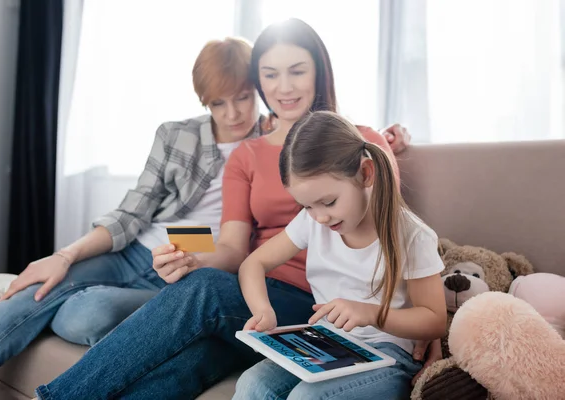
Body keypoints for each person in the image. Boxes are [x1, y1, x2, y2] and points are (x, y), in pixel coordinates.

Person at [31, 19, 420, 400]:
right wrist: (192, 263)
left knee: (203, 291)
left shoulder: (363, 142)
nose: (283, 87)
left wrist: (425, 324)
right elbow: (234, 249)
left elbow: (395, 231)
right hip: (256, 299)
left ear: (320, 72)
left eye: (297, 71)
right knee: (185, 365)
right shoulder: (246, 154)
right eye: (269, 75)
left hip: (323, 304)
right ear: (259, 82)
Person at [0, 37, 271, 400]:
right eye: (219, 103)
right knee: (21, 304)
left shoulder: (272, 143)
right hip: (135, 250)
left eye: (243, 97)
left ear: (258, 91)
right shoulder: (176, 134)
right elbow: (132, 211)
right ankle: (43, 289)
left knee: (84, 316)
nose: (233, 114)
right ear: (204, 101)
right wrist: (64, 256)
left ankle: (65, 296)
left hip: (186, 273)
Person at [233, 110, 447, 399]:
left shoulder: (411, 235)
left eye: (328, 202)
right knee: (252, 384)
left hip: (389, 352)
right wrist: (263, 311)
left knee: (307, 398)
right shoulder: (313, 222)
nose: (320, 217)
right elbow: (254, 264)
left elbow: (434, 320)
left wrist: (371, 313)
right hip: (327, 342)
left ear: (365, 173)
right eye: (307, 206)